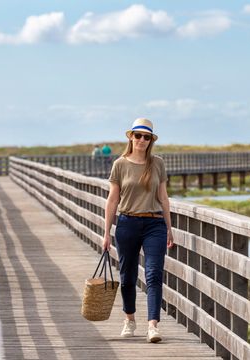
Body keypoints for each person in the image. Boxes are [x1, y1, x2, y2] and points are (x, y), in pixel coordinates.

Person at [103, 118, 174, 343]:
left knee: (153, 274)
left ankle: (152, 325)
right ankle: (129, 319)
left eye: (146, 137)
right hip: (127, 223)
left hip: (155, 224)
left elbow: (163, 197)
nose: (142, 140)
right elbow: (112, 200)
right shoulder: (120, 164)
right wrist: (106, 233)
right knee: (127, 277)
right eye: (138, 136)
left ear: (151, 140)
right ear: (130, 137)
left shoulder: (158, 164)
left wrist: (170, 228)